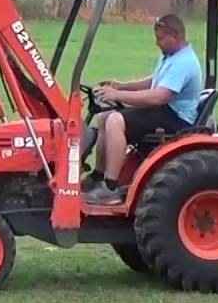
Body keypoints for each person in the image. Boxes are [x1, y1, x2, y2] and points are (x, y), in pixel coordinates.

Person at [84, 13, 203, 206]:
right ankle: (98, 176)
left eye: (160, 38)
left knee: (116, 120)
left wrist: (118, 96)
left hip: (176, 118)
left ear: (175, 36)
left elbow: (159, 97)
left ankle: (111, 188)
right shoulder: (171, 56)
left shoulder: (184, 62)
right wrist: (120, 86)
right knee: (104, 116)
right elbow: (153, 81)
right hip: (166, 110)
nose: (157, 43)